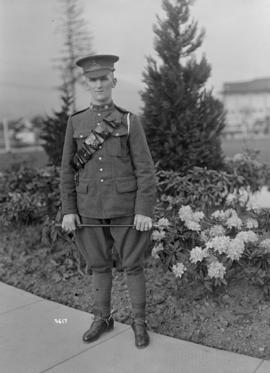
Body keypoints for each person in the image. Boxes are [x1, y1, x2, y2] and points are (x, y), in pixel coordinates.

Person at [60, 54, 156, 349]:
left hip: (125, 209)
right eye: (93, 79)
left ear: (113, 81)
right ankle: (102, 318)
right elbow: (67, 169)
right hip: (89, 208)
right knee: (99, 266)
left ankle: (139, 322)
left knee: (133, 266)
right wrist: (68, 210)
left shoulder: (128, 120)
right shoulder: (76, 122)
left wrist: (143, 210)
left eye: (104, 78)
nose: (99, 84)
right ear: (86, 84)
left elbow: (145, 169)